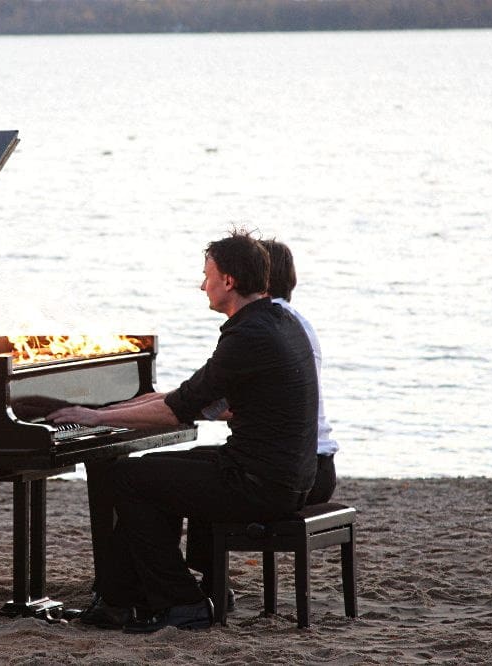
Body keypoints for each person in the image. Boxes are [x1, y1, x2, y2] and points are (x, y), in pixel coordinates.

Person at [47, 230, 318, 633]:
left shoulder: (248, 335)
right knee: (150, 473)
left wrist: (95, 418)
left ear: (228, 282)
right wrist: (107, 409)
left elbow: (178, 410)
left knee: (129, 477)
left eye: (207, 275)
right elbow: (195, 398)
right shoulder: (277, 322)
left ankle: (182, 602)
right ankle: (119, 601)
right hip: (286, 475)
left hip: (259, 482)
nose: (202, 284)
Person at [202, 239, 339, 504]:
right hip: (314, 465)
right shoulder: (290, 321)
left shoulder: (267, 328)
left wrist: (173, 406)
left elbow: (216, 402)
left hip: (298, 471)